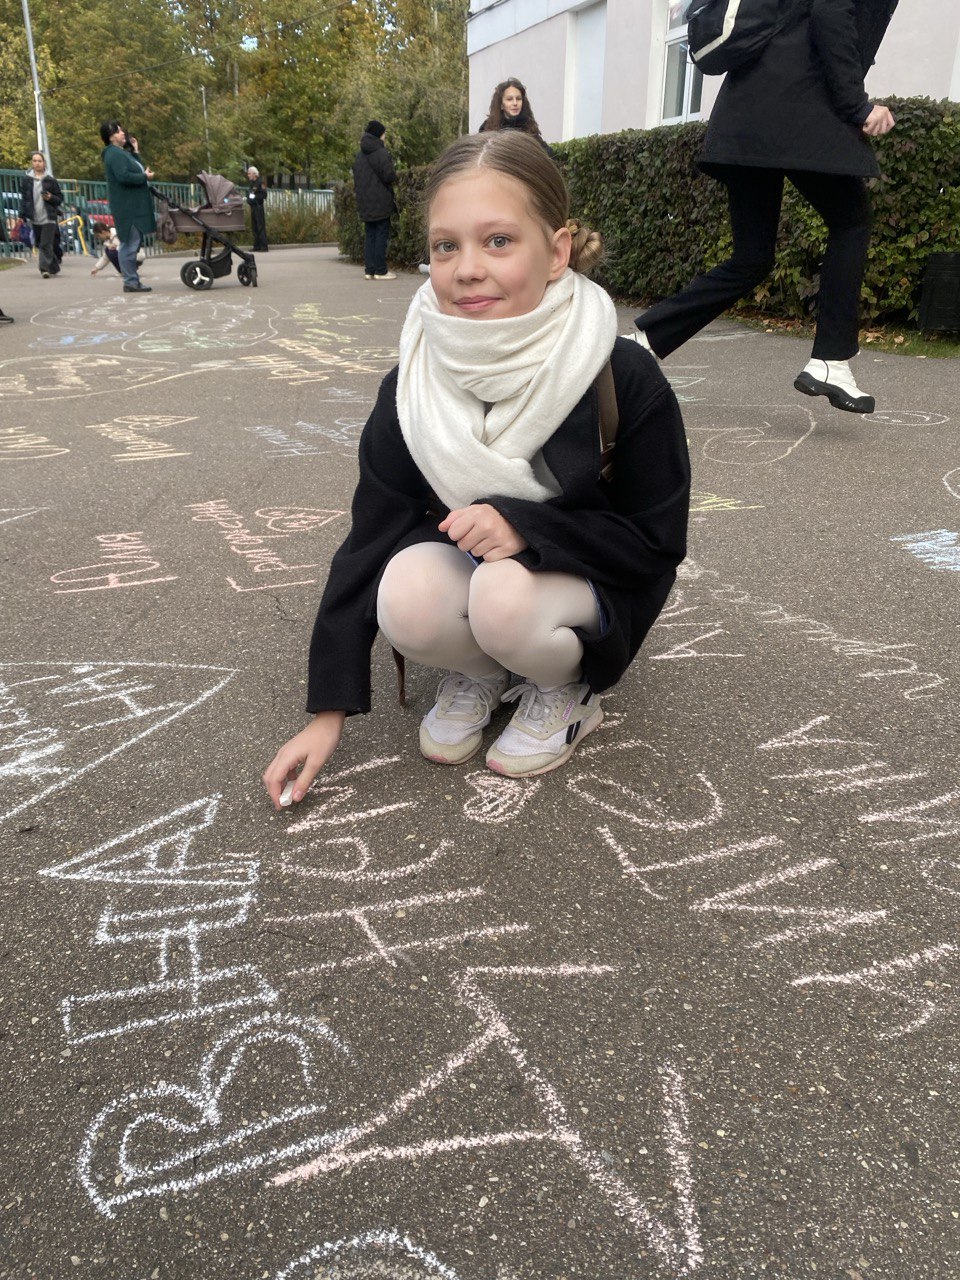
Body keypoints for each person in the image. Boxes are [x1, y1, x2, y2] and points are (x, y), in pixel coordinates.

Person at [263, 130, 690, 807]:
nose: (467, 268)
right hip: (489, 577)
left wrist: (526, 529)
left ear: (556, 251)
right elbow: (372, 536)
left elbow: (657, 543)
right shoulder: (412, 385)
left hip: (585, 583)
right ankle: (481, 673)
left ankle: (564, 690)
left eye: (498, 241)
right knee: (404, 593)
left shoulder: (621, 375)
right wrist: (327, 712)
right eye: (445, 246)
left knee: (502, 596)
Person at [628, 0, 899, 415]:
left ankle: (643, 343)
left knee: (751, 259)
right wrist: (857, 105)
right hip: (797, 109)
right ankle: (830, 360)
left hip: (748, 115)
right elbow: (830, 14)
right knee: (851, 221)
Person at [99, 120, 155, 293]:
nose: (123, 133)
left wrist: (136, 151)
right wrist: (144, 177)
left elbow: (136, 170)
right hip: (127, 206)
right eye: (118, 131)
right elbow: (123, 176)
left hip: (132, 205)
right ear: (111, 137)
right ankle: (130, 281)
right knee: (129, 244)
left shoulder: (121, 153)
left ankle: (131, 279)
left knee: (132, 243)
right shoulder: (114, 154)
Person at [352, 120, 397, 281]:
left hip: (365, 201)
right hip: (381, 200)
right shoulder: (382, 153)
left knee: (370, 235)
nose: (385, 137)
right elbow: (389, 176)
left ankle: (369, 270)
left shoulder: (359, 156)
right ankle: (380, 270)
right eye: (384, 134)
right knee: (381, 235)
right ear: (379, 134)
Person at [19, 152, 63, 279]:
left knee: (45, 244)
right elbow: (24, 199)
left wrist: (50, 197)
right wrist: (22, 215)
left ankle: (44, 269)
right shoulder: (27, 180)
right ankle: (54, 267)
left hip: (49, 217)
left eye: (39, 161)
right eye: (34, 161)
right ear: (32, 163)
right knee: (40, 244)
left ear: (44, 163)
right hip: (35, 217)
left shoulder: (50, 180)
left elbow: (59, 199)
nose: (37, 163)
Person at [479, 78, 552, 153]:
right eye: (509, 99)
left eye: (518, 99)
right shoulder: (488, 127)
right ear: (501, 105)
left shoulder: (528, 124)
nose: (515, 103)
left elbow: (547, 153)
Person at [246, 166, 269, 251]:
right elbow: (249, 193)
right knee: (254, 227)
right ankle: (256, 246)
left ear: (254, 174)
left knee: (260, 226)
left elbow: (264, 195)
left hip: (258, 206)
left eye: (249, 174)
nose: (248, 175)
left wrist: (254, 197)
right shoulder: (252, 183)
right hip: (253, 207)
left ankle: (264, 246)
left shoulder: (260, 182)